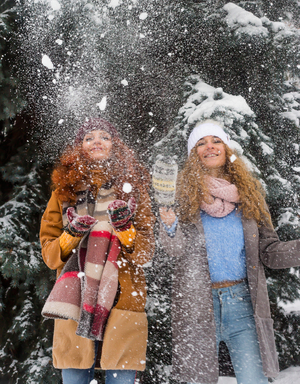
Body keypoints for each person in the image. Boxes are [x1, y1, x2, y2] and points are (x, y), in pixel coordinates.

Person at [158, 120, 300, 384]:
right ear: (193, 154)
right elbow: (174, 251)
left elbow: (269, 251)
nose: (209, 147)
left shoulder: (250, 195)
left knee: (253, 380)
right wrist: (168, 227)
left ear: (226, 148)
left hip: (242, 304)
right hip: (197, 304)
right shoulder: (182, 194)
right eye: (201, 143)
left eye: (216, 141)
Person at [40, 118, 155, 384]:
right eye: (89, 138)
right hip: (74, 300)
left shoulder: (133, 190)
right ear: (79, 148)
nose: (97, 142)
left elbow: (146, 253)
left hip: (123, 296)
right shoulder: (63, 193)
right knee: (75, 376)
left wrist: (126, 229)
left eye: (104, 136)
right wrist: (71, 235)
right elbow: (50, 255)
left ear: (115, 145)